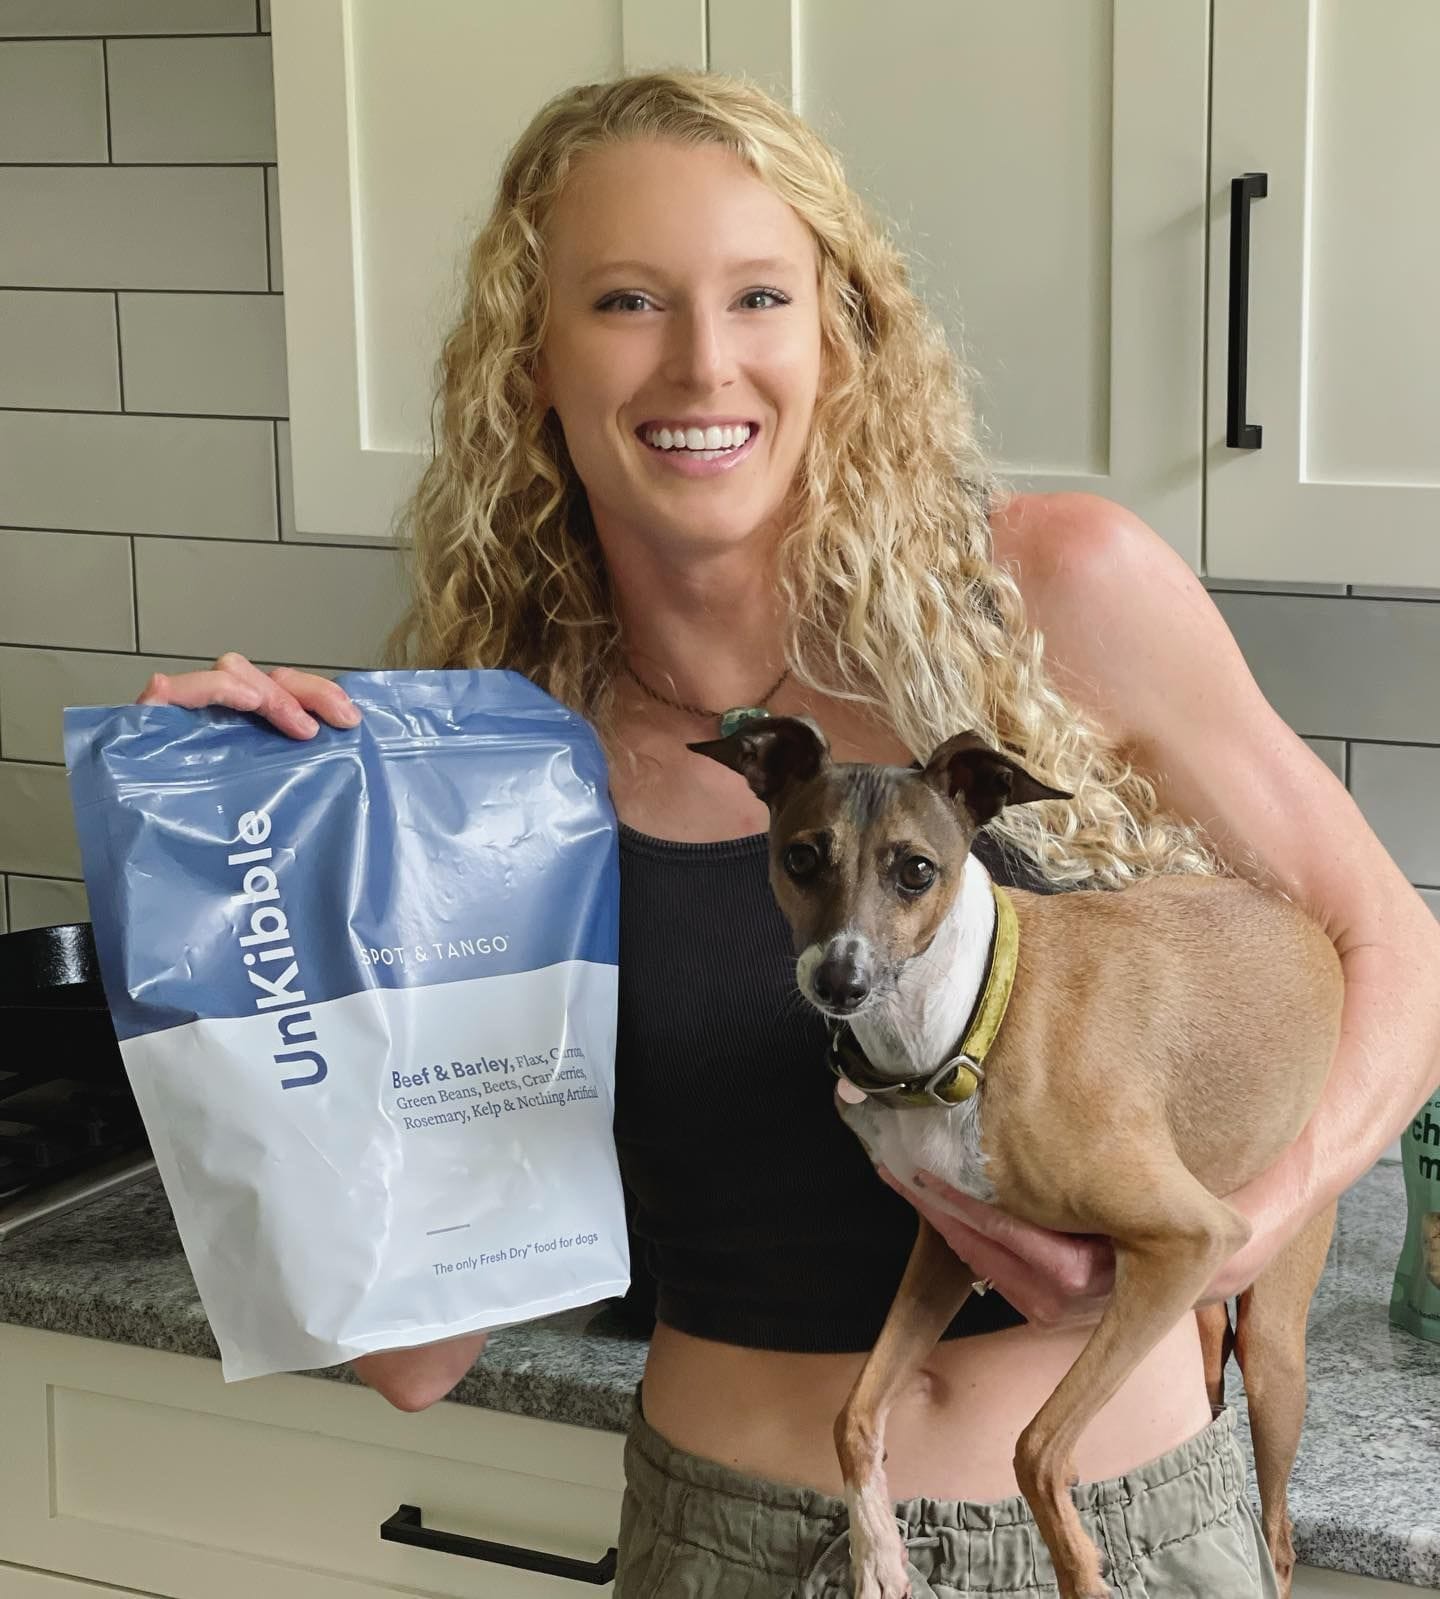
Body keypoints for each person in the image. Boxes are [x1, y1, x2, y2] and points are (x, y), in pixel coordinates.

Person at [137, 70, 1440, 1598]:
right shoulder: (485, 770)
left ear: (839, 334)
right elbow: (415, 1351)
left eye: (759, 295)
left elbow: (1390, 952)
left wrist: (1243, 1234)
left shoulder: (1056, 592)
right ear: (531, 363)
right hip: (733, 1548)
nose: (703, 364)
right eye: (627, 300)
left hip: (1128, 1538)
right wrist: (256, 861)